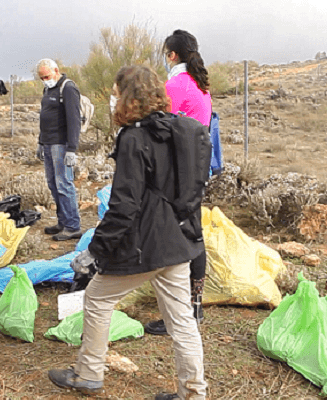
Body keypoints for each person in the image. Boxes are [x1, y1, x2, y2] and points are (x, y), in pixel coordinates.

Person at [47, 65, 207, 400]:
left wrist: (96, 251)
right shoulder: (179, 132)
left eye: (117, 92)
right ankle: (194, 393)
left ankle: (88, 374)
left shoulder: (134, 138)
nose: (113, 98)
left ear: (129, 96)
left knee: (97, 299)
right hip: (177, 244)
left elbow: (123, 207)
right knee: (182, 321)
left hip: (144, 246)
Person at [144, 29, 213, 336]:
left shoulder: (176, 83)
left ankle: (178, 313)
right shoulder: (201, 84)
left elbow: (158, 125)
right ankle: (194, 306)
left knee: (174, 237)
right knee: (193, 232)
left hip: (177, 170)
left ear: (171, 55)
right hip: (198, 167)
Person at [36, 59, 83, 241]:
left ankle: (73, 226)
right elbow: (44, 117)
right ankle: (63, 222)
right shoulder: (48, 89)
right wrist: (41, 142)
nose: (45, 80)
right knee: (53, 184)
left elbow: (74, 120)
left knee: (64, 184)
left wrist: (72, 148)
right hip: (48, 143)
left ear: (56, 71)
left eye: (47, 76)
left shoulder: (68, 88)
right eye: (42, 78)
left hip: (61, 144)